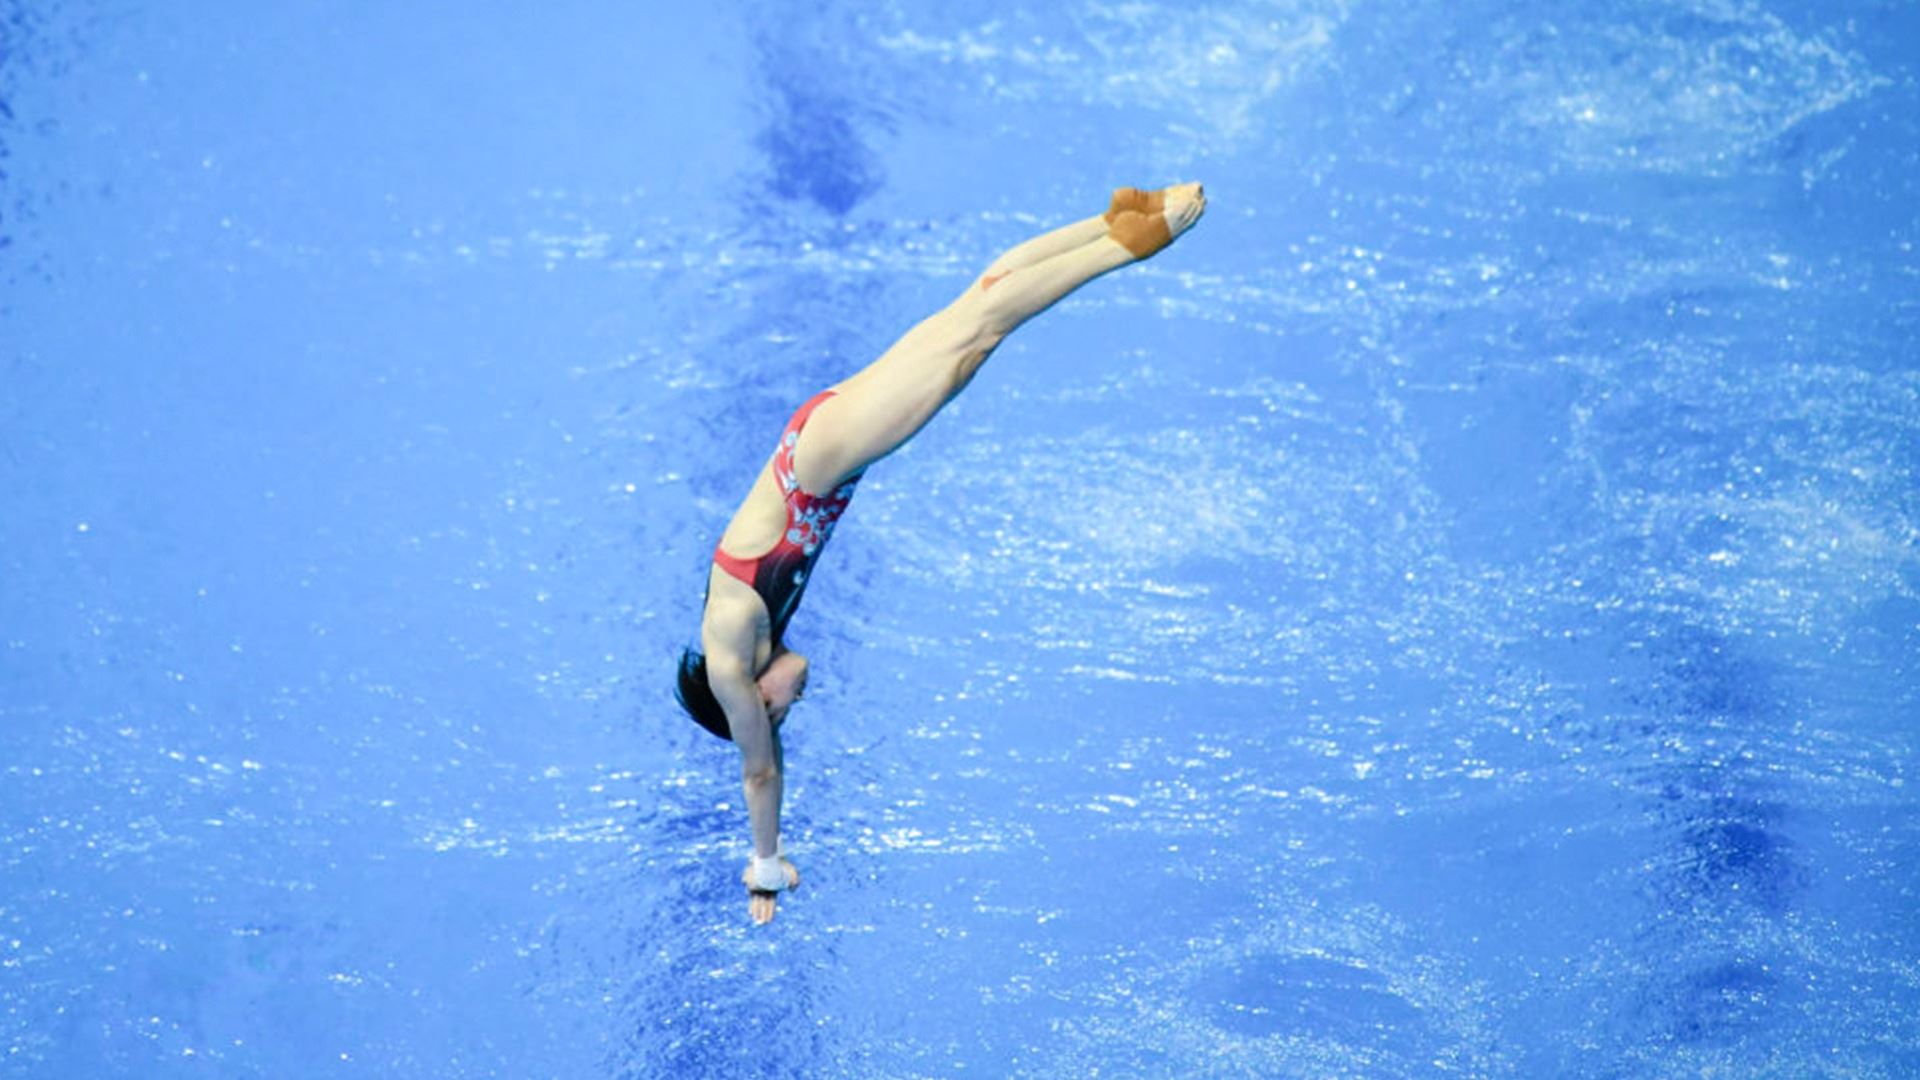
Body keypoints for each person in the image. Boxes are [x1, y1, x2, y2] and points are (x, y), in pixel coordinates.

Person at [676, 183, 1207, 924]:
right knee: (975, 312)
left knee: (980, 330)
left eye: (784, 711)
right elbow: (770, 754)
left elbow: (758, 768)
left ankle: (1132, 243)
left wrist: (764, 865)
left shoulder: (732, 655)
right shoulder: (753, 636)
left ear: (755, 701)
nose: (799, 698)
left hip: (819, 463)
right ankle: (1117, 217)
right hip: (819, 446)